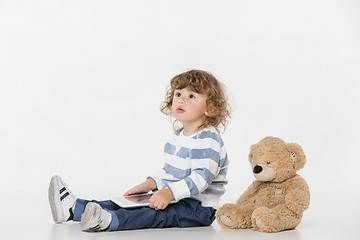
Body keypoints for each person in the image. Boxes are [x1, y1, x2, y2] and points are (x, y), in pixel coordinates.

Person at [48, 69, 231, 232]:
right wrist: (150, 184)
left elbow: (201, 178)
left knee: (155, 214)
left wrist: (169, 193)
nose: (181, 99)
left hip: (198, 208)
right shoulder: (176, 138)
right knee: (125, 202)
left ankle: (109, 221)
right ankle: (74, 209)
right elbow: (170, 172)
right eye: (178, 94)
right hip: (177, 196)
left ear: (211, 108)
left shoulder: (208, 139)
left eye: (192, 96)